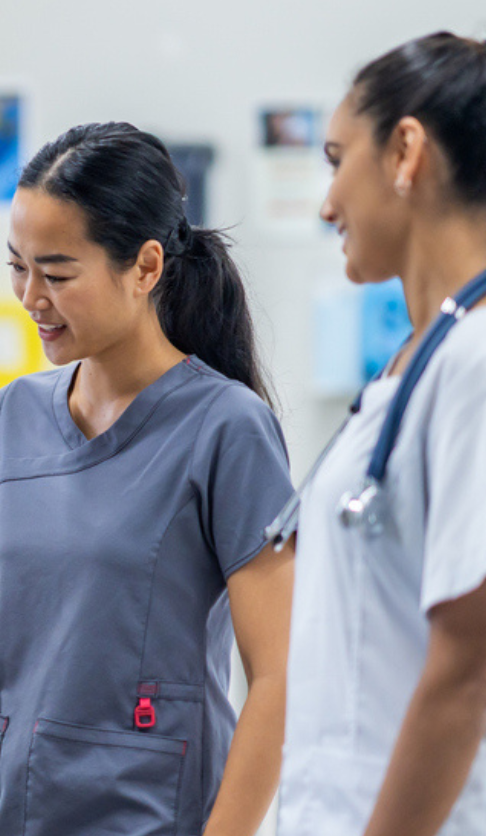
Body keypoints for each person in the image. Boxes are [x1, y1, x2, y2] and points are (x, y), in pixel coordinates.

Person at [0, 123, 295, 836]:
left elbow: (276, 679)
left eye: (56, 274)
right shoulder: (10, 419)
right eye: (16, 267)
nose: (30, 297)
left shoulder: (226, 429)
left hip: (147, 816)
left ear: (146, 267)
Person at [275, 32, 486, 836]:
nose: (327, 203)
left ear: (406, 151)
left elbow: (469, 670)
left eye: (335, 160)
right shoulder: (421, 361)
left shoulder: (475, 362)